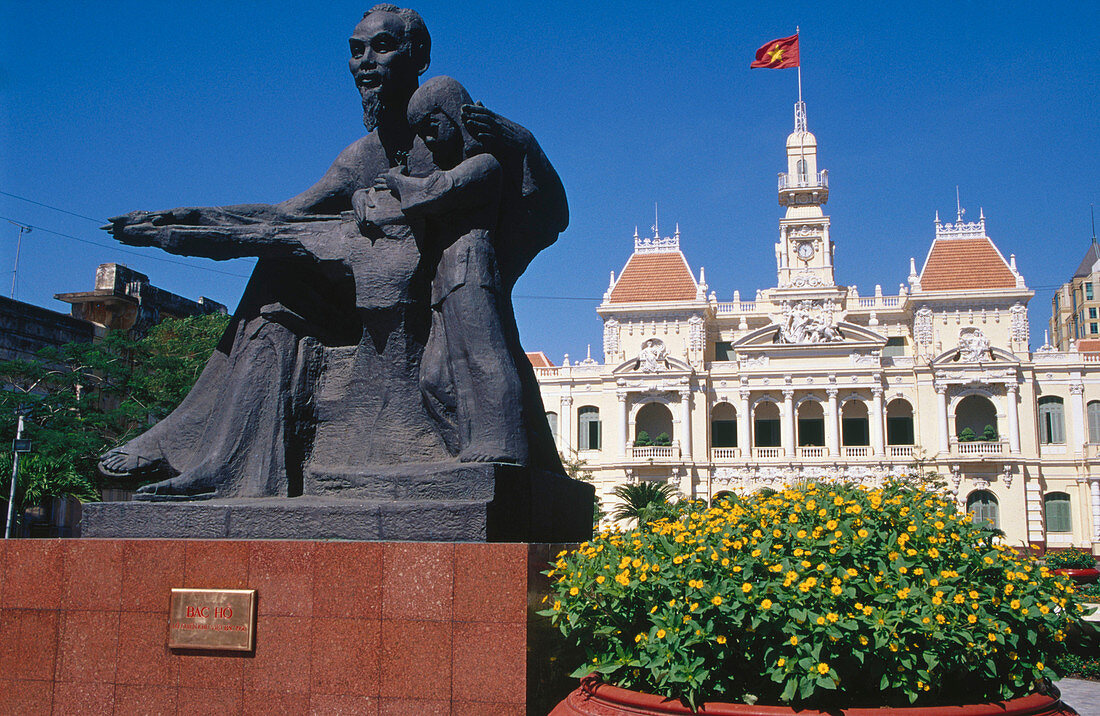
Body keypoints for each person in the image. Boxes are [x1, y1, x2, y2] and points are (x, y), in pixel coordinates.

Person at [98, 6, 568, 496]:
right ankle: (212, 457)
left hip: (443, 308)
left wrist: (523, 145)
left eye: (382, 47)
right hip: (362, 312)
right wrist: (185, 223)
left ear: (419, 56)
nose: (365, 62)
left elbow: (547, 215)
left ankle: (194, 448)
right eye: (355, 50)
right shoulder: (360, 157)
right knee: (277, 281)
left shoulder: (460, 138)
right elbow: (284, 215)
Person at [362, 76, 524, 463]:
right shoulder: (453, 167)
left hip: (473, 270)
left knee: (484, 356)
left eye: (432, 126)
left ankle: (504, 444)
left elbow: (432, 192)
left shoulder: (484, 165)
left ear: (453, 115)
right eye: (422, 133)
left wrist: (397, 179)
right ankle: (468, 447)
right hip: (444, 278)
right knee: (434, 378)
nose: (429, 140)